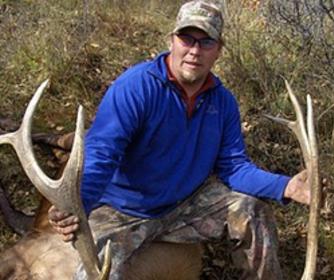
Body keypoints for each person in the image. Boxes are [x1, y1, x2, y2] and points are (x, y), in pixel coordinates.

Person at [49, 1, 310, 279]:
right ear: (172, 40)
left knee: (252, 212)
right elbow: (102, 155)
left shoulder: (223, 103)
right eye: (187, 39)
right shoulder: (136, 87)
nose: (195, 51)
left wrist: (287, 186)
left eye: (206, 42)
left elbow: (234, 168)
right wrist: (78, 205)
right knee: (95, 273)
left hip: (184, 206)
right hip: (122, 210)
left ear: (218, 50)